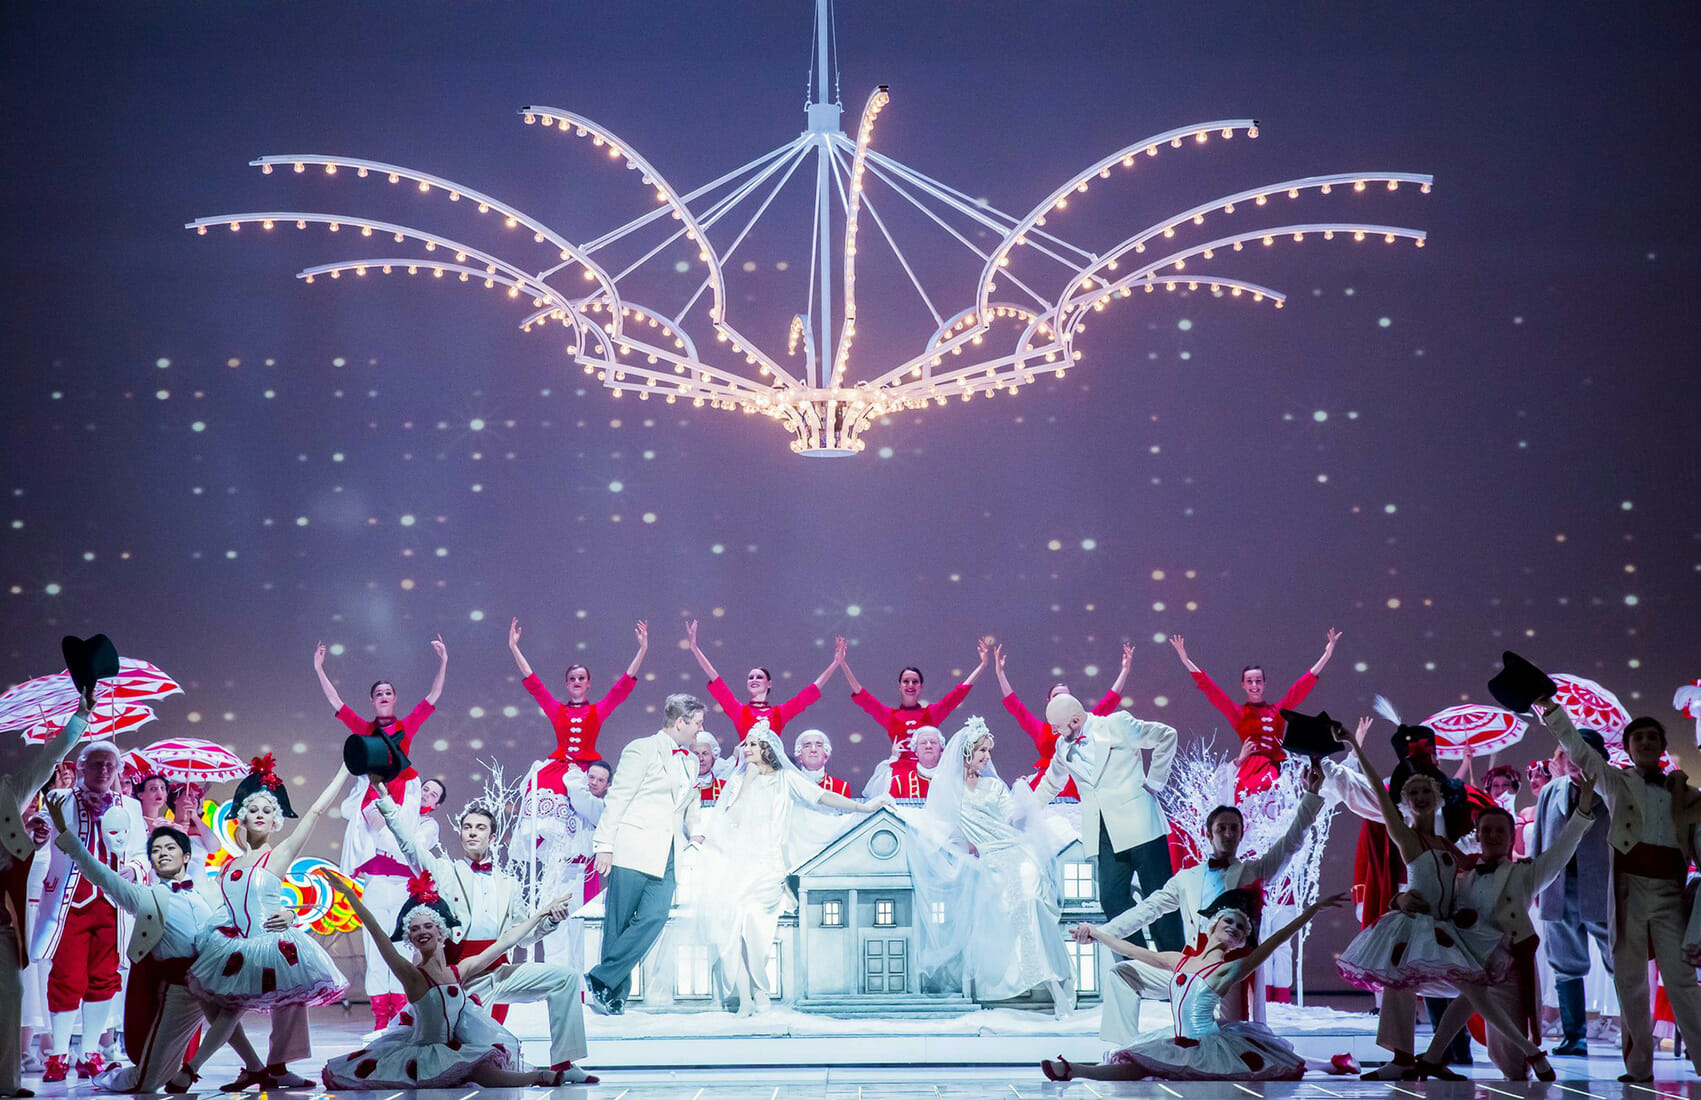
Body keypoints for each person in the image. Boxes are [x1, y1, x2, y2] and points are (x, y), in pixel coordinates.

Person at [1333, 717, 1553, 1080]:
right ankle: (1407, 1059)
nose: (1420, 798)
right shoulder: (1405, 836)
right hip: (1414, 928)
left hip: (1442, 930)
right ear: (1405, 801)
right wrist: (1355, 745)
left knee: (1473, 989)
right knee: (1413, 986)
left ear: (1436, 797)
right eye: (1414, 793)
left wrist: (1516, 865)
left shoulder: (1446, 844)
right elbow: (1376, 789)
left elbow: (1477, 863)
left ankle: (1433, 1057)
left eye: (1426, 792)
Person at [1079, 765, 1327, 1045]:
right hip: (1188, 965)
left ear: (1241, 834)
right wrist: (1100, 933)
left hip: (1228, 972)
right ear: (1209, 834)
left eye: (1234, 828)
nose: (1228, 834)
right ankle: (1123, 1048)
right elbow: (1146, 910)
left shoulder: (1253, 871)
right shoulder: (1187, 878)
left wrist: (1310, 796)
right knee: (1122, 974)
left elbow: (1290, 843)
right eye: (1221, 828)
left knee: (1229, 1041)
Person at [372, 791, 592, 1081]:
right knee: (472, 1061)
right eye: (467, 827)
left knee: (565, 978)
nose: (472, 832)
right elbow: (410, 846)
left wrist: (550, 920)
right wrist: (386, 801)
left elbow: (523, 937)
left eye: (480, 828)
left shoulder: (508, 884)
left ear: (493, 837)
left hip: (500, 971)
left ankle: (564, 1063)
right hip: (463, 977)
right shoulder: (445, 871)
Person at [168, 756, 353, 1093]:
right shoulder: (230, 864)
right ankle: (257, 1067)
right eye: (253, 809)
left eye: (267, 811)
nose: (260, 814)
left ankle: (191, 1070)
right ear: (242, 815)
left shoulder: (279, 854)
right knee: (213, 1004)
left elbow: (315, 812)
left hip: (267, 945)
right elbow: (228, 908)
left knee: (232, 1010)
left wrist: (344, 769)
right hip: (234, 944)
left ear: (275, 820)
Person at [1044, 890, 1352, 1082]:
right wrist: (1096, 933)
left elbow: (1273, 943)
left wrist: (1311, 911)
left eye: (1240, 927)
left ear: (1240, 941)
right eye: (1228, 921)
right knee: (1141, 1063)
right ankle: (1074, 1070)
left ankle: (1073, 1069)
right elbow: (1133, 951)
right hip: (1178, 1038)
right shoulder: (1179, 960)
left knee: (1280, 1063)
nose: (1233, 927)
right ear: (1213, 925)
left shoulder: (1227, 969)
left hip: (1205, 1044)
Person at [695, 723, 886, 1014]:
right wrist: (747, 782)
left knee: (756, 926)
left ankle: (761, 989)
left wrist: (864, 808)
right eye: (746, 744)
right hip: (736, 865)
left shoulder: (786, 779)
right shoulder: (737, 781)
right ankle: (745, 997)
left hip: (769, 866)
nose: (746, 749)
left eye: (752, 744)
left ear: (766, 749)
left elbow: (821, 796)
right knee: (733, 928)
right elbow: (730, 818)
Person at [322, 872, 575, 1089]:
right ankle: (539, 1078)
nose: (421, 932)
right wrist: (350, 895)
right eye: (414, 929)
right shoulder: (412, 976)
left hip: (454, 1048)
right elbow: (378, 934)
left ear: (441, 932)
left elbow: (505, 942)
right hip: (427, 1054)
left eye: (427, 926)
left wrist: (541, 913)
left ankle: (539, 1077)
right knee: (481, 1073)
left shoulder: (458, 972)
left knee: (482, 1070)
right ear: (410, 938)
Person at [1420, 791, 1597, 1080]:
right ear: (1477, 835)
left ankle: (1435, 1056)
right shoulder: (1462, 875)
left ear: (1512, 837)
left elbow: (1562, 849)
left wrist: (1582, 812)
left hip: (1508, 968)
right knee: (1460, 987)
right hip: (1466, 962)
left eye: (1500, 831)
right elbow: (1433, 897)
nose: (1493, 836)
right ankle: (1426, 1056)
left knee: (1513, 1067)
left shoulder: (1524, 874)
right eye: (1487, 830)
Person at [44, 806, 221, 1094]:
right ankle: (108, 1078)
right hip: (177, 990)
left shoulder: (208, 892)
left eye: (170, 848)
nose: (163, 853)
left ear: (187, 856)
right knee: (147, 1082)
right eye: (156, 850)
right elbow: (102, 875)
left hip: (212, 982)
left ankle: (255, 1067)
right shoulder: (145, 896)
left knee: (233, 1015)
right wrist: (67, 837)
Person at [913, 718, 1074, 1014]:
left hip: (1015, 852)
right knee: (1006, 910)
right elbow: (940, 826)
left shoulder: (994, 785)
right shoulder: (947, 788)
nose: (987, 757)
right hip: (986, 861)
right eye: (982, 751)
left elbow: (1011, 818)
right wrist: (964, 847)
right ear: (967, 752)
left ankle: (1053, 984)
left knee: (1029, 902)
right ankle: (1019, 987)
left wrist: (1023, 796)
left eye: (988, 751)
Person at [31, 737, 146, 1083]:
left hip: (111, 905)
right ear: (81, 768)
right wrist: (38, 835)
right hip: (70, 904)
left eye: (110, 765)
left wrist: (134, 870)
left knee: (105, 979)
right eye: (97, 764)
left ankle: (90, 1052)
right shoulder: (59, 799)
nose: (104, 771)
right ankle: (57, 1054)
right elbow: (39, 836)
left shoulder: (130, 807)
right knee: (67, 978)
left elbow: (140, 854)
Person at [586, 693, 708, 1014]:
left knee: (655, 916)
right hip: (634, 846)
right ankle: (614, 995)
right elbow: (619, 796)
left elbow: (690, 802)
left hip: (669, 851)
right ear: (680, 722)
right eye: (697, 723)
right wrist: (604, 845)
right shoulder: (642, 749)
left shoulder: (690, 760)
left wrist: (696, 832)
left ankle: (600, 978)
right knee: (619, 923)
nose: (701, 729)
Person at [1034, 693, 1181, 948]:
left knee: (1159, 897)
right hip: (1103, 833)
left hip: (1141, 824)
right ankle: (1136, 960)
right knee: (1112, 899)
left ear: (1075, 720)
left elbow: (1166, 735)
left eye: (1057, 727)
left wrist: (1155, 782)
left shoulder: (1117, 724)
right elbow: (1051, 782)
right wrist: (1025, 811)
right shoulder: (1062, 747)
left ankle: (1173, 960)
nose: (1054, 733)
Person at [1, 695, 92, 1099]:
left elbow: (49, 758)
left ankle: (7, 1082)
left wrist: (81, 717)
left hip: (4, 917)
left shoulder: (9, 789)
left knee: (13, 994)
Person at [1169, 630, 1340, 796]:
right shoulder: (1239, 713)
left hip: (1275, 771)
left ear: (1264, 683)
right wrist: (1186, 660)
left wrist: (1326, 656)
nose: (1254, 685)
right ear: (1243, 685)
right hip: (1248, 772)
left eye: (1258, 681)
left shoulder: (1277, 711)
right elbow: (1211, 690)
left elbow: (1300, 688)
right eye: (1249, 681)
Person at [1529, 736, 1613, 1057]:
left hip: (1602, 888)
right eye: (1568, 755)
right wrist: (1537, 885)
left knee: (1618, 960)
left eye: (1582, 755)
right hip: (1559, 888)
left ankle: (1633, 1031)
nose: (1574, 761)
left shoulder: (1613, 790)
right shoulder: (1551, 791)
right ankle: (1574, 1036)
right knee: (1564, 964)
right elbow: (1539, 841)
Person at [993, 643, 1132, 798]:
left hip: (1078, 785)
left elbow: (1108, 702)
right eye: (1056, 696)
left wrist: (1125, 671)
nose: (1061, 700)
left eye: (1065, 696)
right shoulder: (1040, 729)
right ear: (1048, 701)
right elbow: (1015, 706)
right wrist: (1000, 673)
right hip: (1047, 785)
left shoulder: (1083, 723)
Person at [510, 616, 646, 768]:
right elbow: (535, 684)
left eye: (581, 678)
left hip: (588, 770)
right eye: (572, 679)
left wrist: (642, 649)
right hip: (559, 768)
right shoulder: (557, 710)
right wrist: (514, 647)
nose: (577, 681)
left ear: (588, 683)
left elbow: (621, 687)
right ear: (567, 684)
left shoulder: (597, 711)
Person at [841, 638, 990, 764]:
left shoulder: (931, 713)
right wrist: (842, 663)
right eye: (906, 681)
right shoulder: (890, 716)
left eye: (915, 682)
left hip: (928, 775)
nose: (910, 685)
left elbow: (957, 694)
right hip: (899, 776)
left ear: (921, 686)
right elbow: (864, 698)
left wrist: (982, 665)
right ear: (899, 686)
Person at [685, 621, 840, 737]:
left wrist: (835, 663)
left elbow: (809, 692)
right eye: (750, 677)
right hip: (745, 767)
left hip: (772, 768)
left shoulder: (779, 714)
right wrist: (695, 649)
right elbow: (715, 677)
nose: (754, 679)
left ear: (769, 683)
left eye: (759, 677)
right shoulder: (739, 711)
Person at [863, 725, 945, 799]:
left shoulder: (950, 778)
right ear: (915, 751)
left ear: (941, 749)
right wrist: (894, 758)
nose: (928, 746)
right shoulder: (900, 782)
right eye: (923, 743)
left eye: (933, 742)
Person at [791, 729, 851, 796]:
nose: (813, 750)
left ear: (826, 756)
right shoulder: (790, 785)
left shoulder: (841, 787)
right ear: (799, 756)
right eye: (807, 746)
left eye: (819, 745)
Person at [692, 732, 726, 803]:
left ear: (713, 756)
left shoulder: (724, 787)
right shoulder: (680, 787)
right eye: (696, 754)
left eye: (705, 753)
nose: (701, 758)